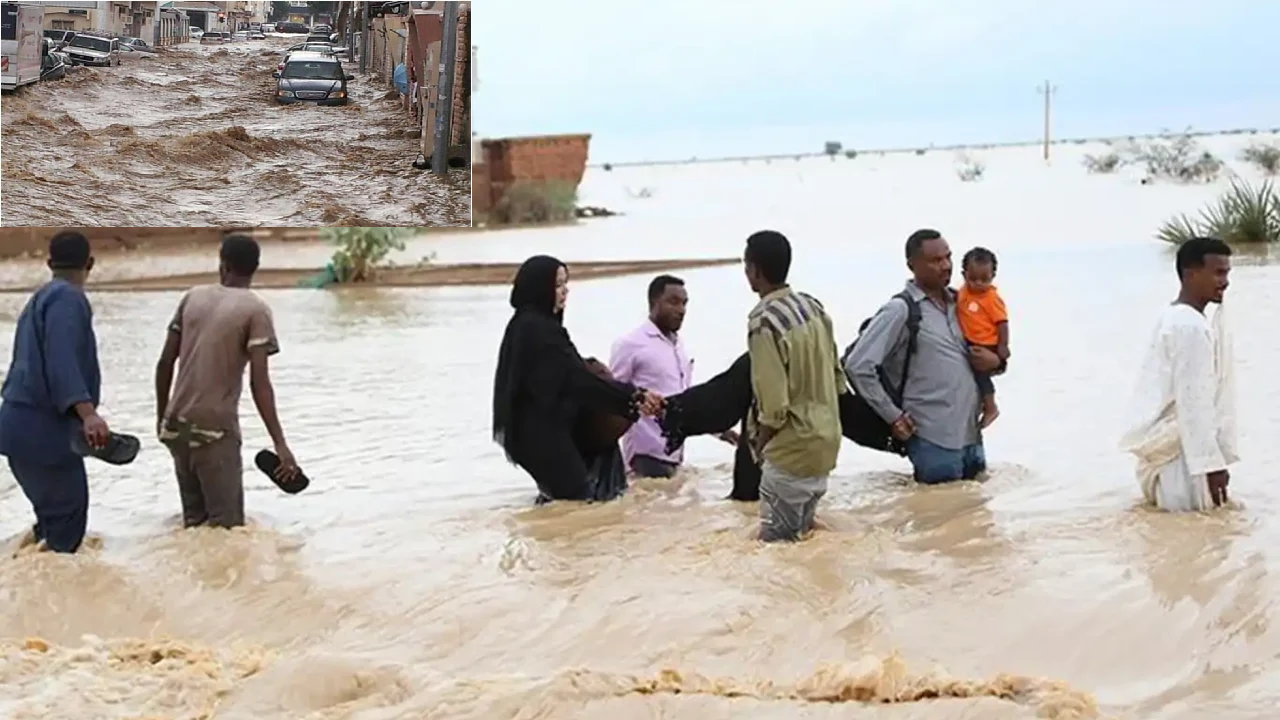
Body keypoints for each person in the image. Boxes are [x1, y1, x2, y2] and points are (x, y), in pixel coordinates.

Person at [154, 234, 298, 529]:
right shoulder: (256, 310)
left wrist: (162, 418)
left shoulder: (192, 297)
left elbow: (165, 362)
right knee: (227, 530)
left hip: (176, 427)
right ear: (255, 268)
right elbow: (260, 384)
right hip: (215, 431)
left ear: (222, 265)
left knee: (194, 526)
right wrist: (280, 444)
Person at [492, 255, 664, 503]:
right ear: (540, 288)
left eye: (565, 284)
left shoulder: (530, 325)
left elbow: (565, 375)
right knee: (576, 501)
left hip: (537, 433)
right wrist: (633, 396)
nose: (565, 292)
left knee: (564, 507)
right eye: (558, 285)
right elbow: (576, 380)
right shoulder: (537, 330)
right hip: (540, 437)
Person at [844, 229, 1002, 485]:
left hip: (972, 436)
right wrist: (893, 416)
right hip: (933, 441)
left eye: (948, 257)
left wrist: (997, 362)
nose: (946, 266)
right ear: (912, 265)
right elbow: (858, 366)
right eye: (935, 260)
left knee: (975, 518)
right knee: (941, 515)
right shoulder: (901, 310)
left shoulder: (962, 304)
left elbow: (989, 352)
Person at [0, 231, 110, 553]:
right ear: (90, 263)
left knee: (51, 524)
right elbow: (61, 361)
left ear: (49, 263)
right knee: (68, 529)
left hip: (17, 429)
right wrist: (88, 414)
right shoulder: (68, 299)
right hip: (42, 433)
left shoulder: (40, 298)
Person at [1119, 237, 1237, 512]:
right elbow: (1193, 401)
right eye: (1218, 272)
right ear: (1190, 274)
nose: (1226, 281)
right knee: (1199, 536)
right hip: (1183, 455)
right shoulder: (1190, 326)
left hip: (1173, 448)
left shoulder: (1174, 317)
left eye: (1227, 273)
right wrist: (1212, 464)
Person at [742, 231, 845, 542]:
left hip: (791, 451)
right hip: (825, 444)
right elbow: (838, 376)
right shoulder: (813, 307)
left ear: (755, 270)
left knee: (777, 551)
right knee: (807, 540)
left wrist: (759, 450)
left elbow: (773, 407)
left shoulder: (764, 322)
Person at [609, 275, 738, 478]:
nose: (681, 310)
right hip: (644, 455)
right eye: (673, 302)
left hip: (675, 454)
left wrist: (721, 430)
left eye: (685, 303)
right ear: (654, 303)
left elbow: (685, 401)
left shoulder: (679, 346)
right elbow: (612, 396)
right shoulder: (630, 344)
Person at [956, 246, 1010, 428]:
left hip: (987, 344)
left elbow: (1002, 323)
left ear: (993, 276)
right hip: (970, 341)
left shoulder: (991, 297)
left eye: (984, 279)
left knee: (981, 375)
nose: (978, 283)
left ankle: (990, 406)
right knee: (972, 375)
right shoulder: (962, 292)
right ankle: (978, 405)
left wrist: (1003, 346)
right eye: (973, 279)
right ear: (964, 275)